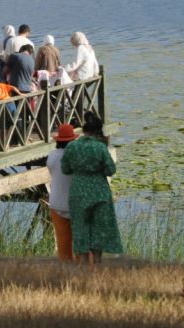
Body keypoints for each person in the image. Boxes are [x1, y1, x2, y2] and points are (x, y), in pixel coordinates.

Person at [61, 113, 122, 264]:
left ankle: (82, 262)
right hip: (99, 192)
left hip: (78, 191)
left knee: (80, 227)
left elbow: (65, 169)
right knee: (99, 228)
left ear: (84, 130)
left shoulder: (72, 146)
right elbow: (110, 170)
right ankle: (97, 262)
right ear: (97, 131)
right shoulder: (100, 147)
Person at [47, 123, 77, 261]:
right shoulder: (78, 157)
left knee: (63, 245)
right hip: (76, 205)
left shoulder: (52, 157)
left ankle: (65, 272)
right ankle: (84, 273)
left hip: (56, 204)